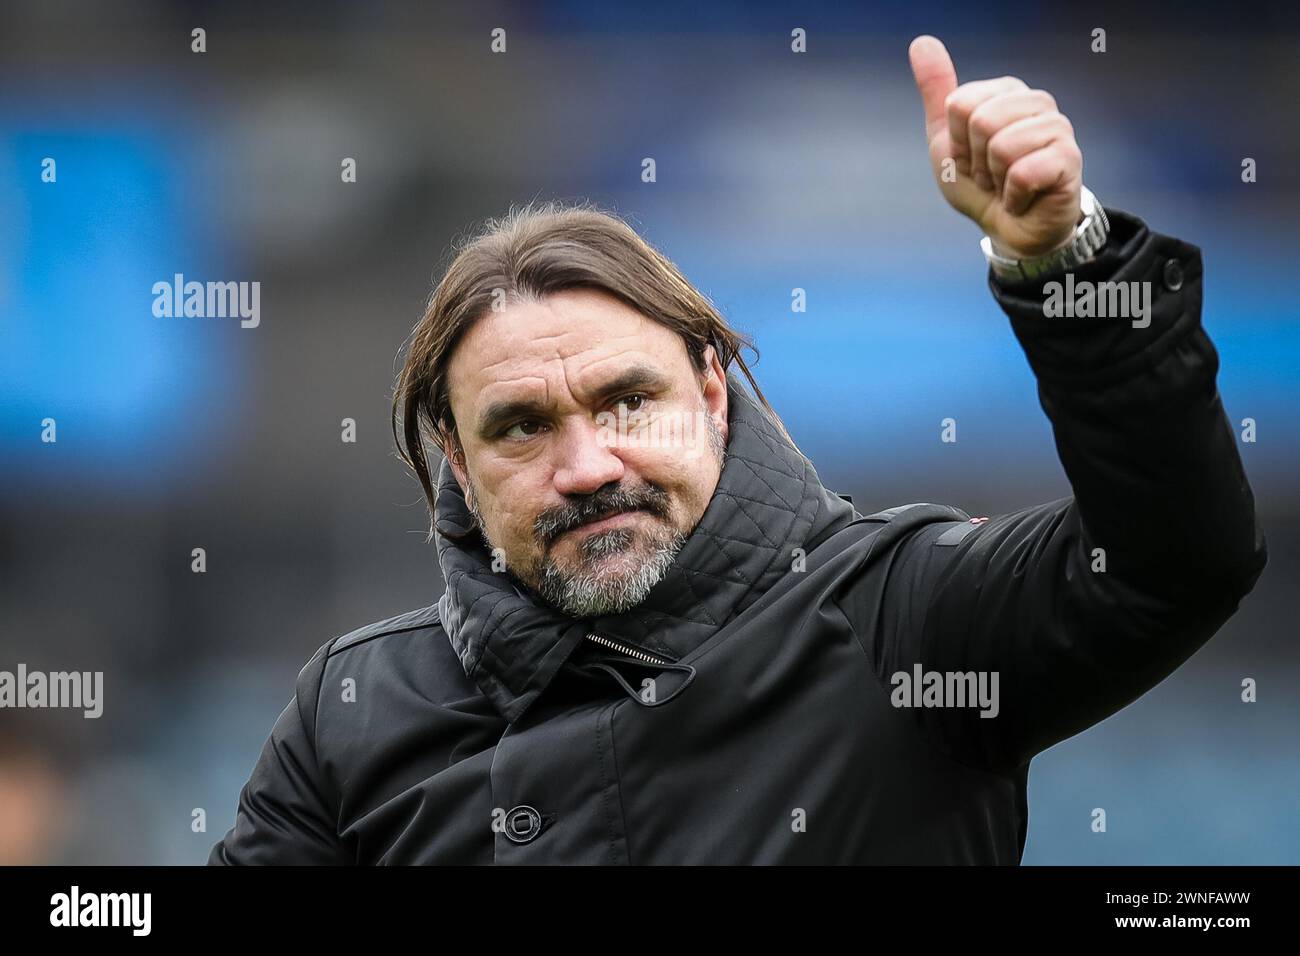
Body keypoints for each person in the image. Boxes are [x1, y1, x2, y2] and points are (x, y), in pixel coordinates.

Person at [209, 36, 1265, 864]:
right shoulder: (354, 709)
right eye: (522, 426)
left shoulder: (903, 618)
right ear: (454, 454)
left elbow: (1177, 557)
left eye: (629, 400)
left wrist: (1065, 263)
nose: (587, 467)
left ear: (712, 391)